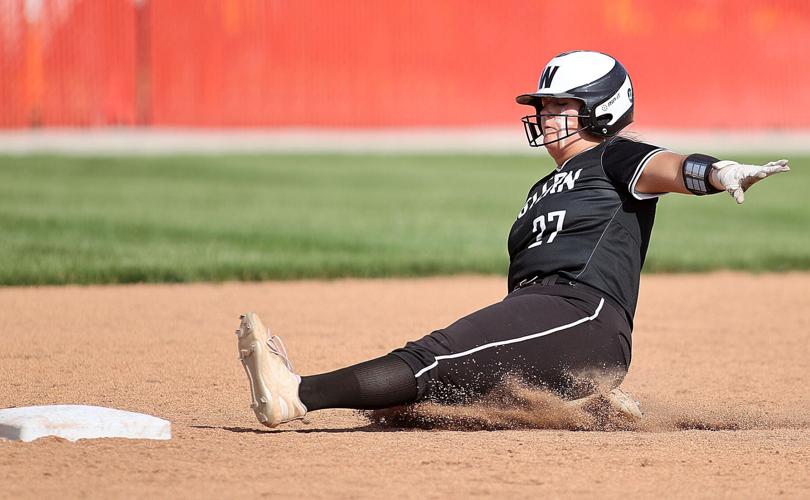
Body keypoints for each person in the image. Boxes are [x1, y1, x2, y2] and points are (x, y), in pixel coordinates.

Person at [234, 50, 790, 428]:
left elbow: (671, 167)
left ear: (602, 110)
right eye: (543, 105)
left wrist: (721, 173)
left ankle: (296, 393)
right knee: (433, 401)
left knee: (433, 357)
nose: (545, 115)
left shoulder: (616, 156)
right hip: (542, 315)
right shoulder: (543, 186)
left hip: (582, 314)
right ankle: (588, 398)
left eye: (559, 105)